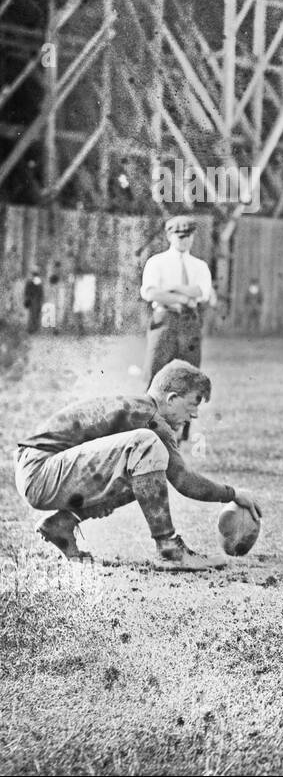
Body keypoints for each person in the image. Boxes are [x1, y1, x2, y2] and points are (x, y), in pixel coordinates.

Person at [13, 360, 262, 569]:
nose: (194, 414)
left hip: (40, 470)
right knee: (147, 445)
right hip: (40, 471)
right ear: (172, 398)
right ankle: (169, 548)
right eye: (193, 403)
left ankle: (62, 524)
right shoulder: (150, 417)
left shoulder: (140, 409)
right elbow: (184, 480)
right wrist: (234, 493)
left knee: (147, 472)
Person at [140, 216, 213, 441]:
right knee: (155, 370)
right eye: (179, 236)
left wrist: (172, 288)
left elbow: (202, 293)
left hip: (190, 321)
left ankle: (183, 429)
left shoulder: (199, 265)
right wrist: (182, 296)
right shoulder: (157, 262)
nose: (183, 241)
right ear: (170, 236)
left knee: (190, 376)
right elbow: (150, 293)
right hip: (165, 319)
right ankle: (148, 424)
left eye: (188, 236)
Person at [22, 270, 43, 335]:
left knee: (32, 315)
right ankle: (33, 329)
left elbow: (26, 291)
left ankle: (32, 329)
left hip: (33, 300)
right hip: (35, 300)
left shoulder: (30, 281)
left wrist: (27, 298)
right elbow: (41, 292)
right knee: (35, 315)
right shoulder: (38, 281)